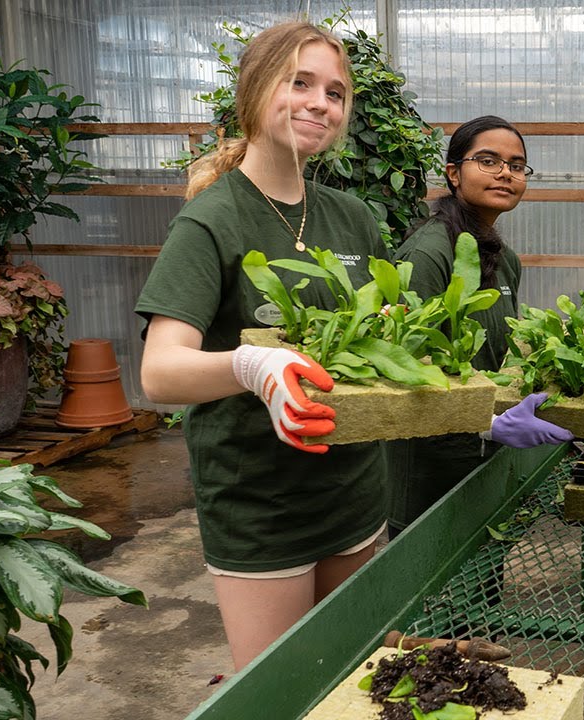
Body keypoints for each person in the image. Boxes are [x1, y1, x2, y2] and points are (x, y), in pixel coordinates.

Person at [135, 21, 388, 671]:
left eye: (335, 92)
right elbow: (160, 373)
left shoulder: (352, 217)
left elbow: (387, 334)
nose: (319, 103)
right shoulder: (213, 220)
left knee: (357, 679)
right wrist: (252, 364)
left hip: (355, 492)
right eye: (299, 82)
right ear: (254, 91)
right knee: (282, 691)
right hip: (261, 506)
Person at [383, 115, 573, 535]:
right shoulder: (428, 254)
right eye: (488, 161)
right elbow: (402, 367)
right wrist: (485, 424)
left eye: (516, 165)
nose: (505, 173)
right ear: (454, 174)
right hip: (431, 472)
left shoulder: (505, 260)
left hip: (486, 459)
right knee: (431, 591)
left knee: (484, 589)